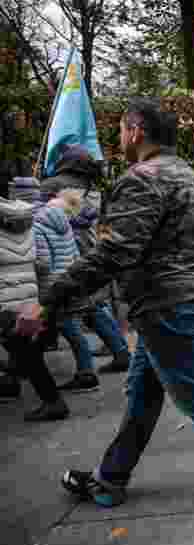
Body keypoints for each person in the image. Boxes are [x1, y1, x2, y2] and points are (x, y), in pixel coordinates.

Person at [16, 98, 194, 510]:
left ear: (135, 131)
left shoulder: (143, 178)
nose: (119, 137)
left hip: (163, 303)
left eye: (120, 129)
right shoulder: (186, 174)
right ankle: (110, 477)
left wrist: (48, 300)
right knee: (142, 393)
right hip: (177, 298)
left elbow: (115, 252)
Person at [41, 145, 132, 378]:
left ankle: (85, 370)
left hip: (60, 252)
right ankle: (120, 351)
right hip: (90, 249)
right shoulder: (92, 189)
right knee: (90, 304)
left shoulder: (51, 186)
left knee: (64, 307)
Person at [0, 187, 69, 419]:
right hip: (28, 295)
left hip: (5, 298)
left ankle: (52, 402)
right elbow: (41, 262)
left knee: (26, 352)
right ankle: (15, 383)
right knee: (24, 348)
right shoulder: (26, 224)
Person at [32, 192, 100, 393]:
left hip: (52, 286)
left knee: (68, 328)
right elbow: (76, 256)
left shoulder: (38, 226)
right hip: (69, 281)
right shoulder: (66, 225)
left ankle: (87, 374)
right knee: (56, 327)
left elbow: (43, 263)